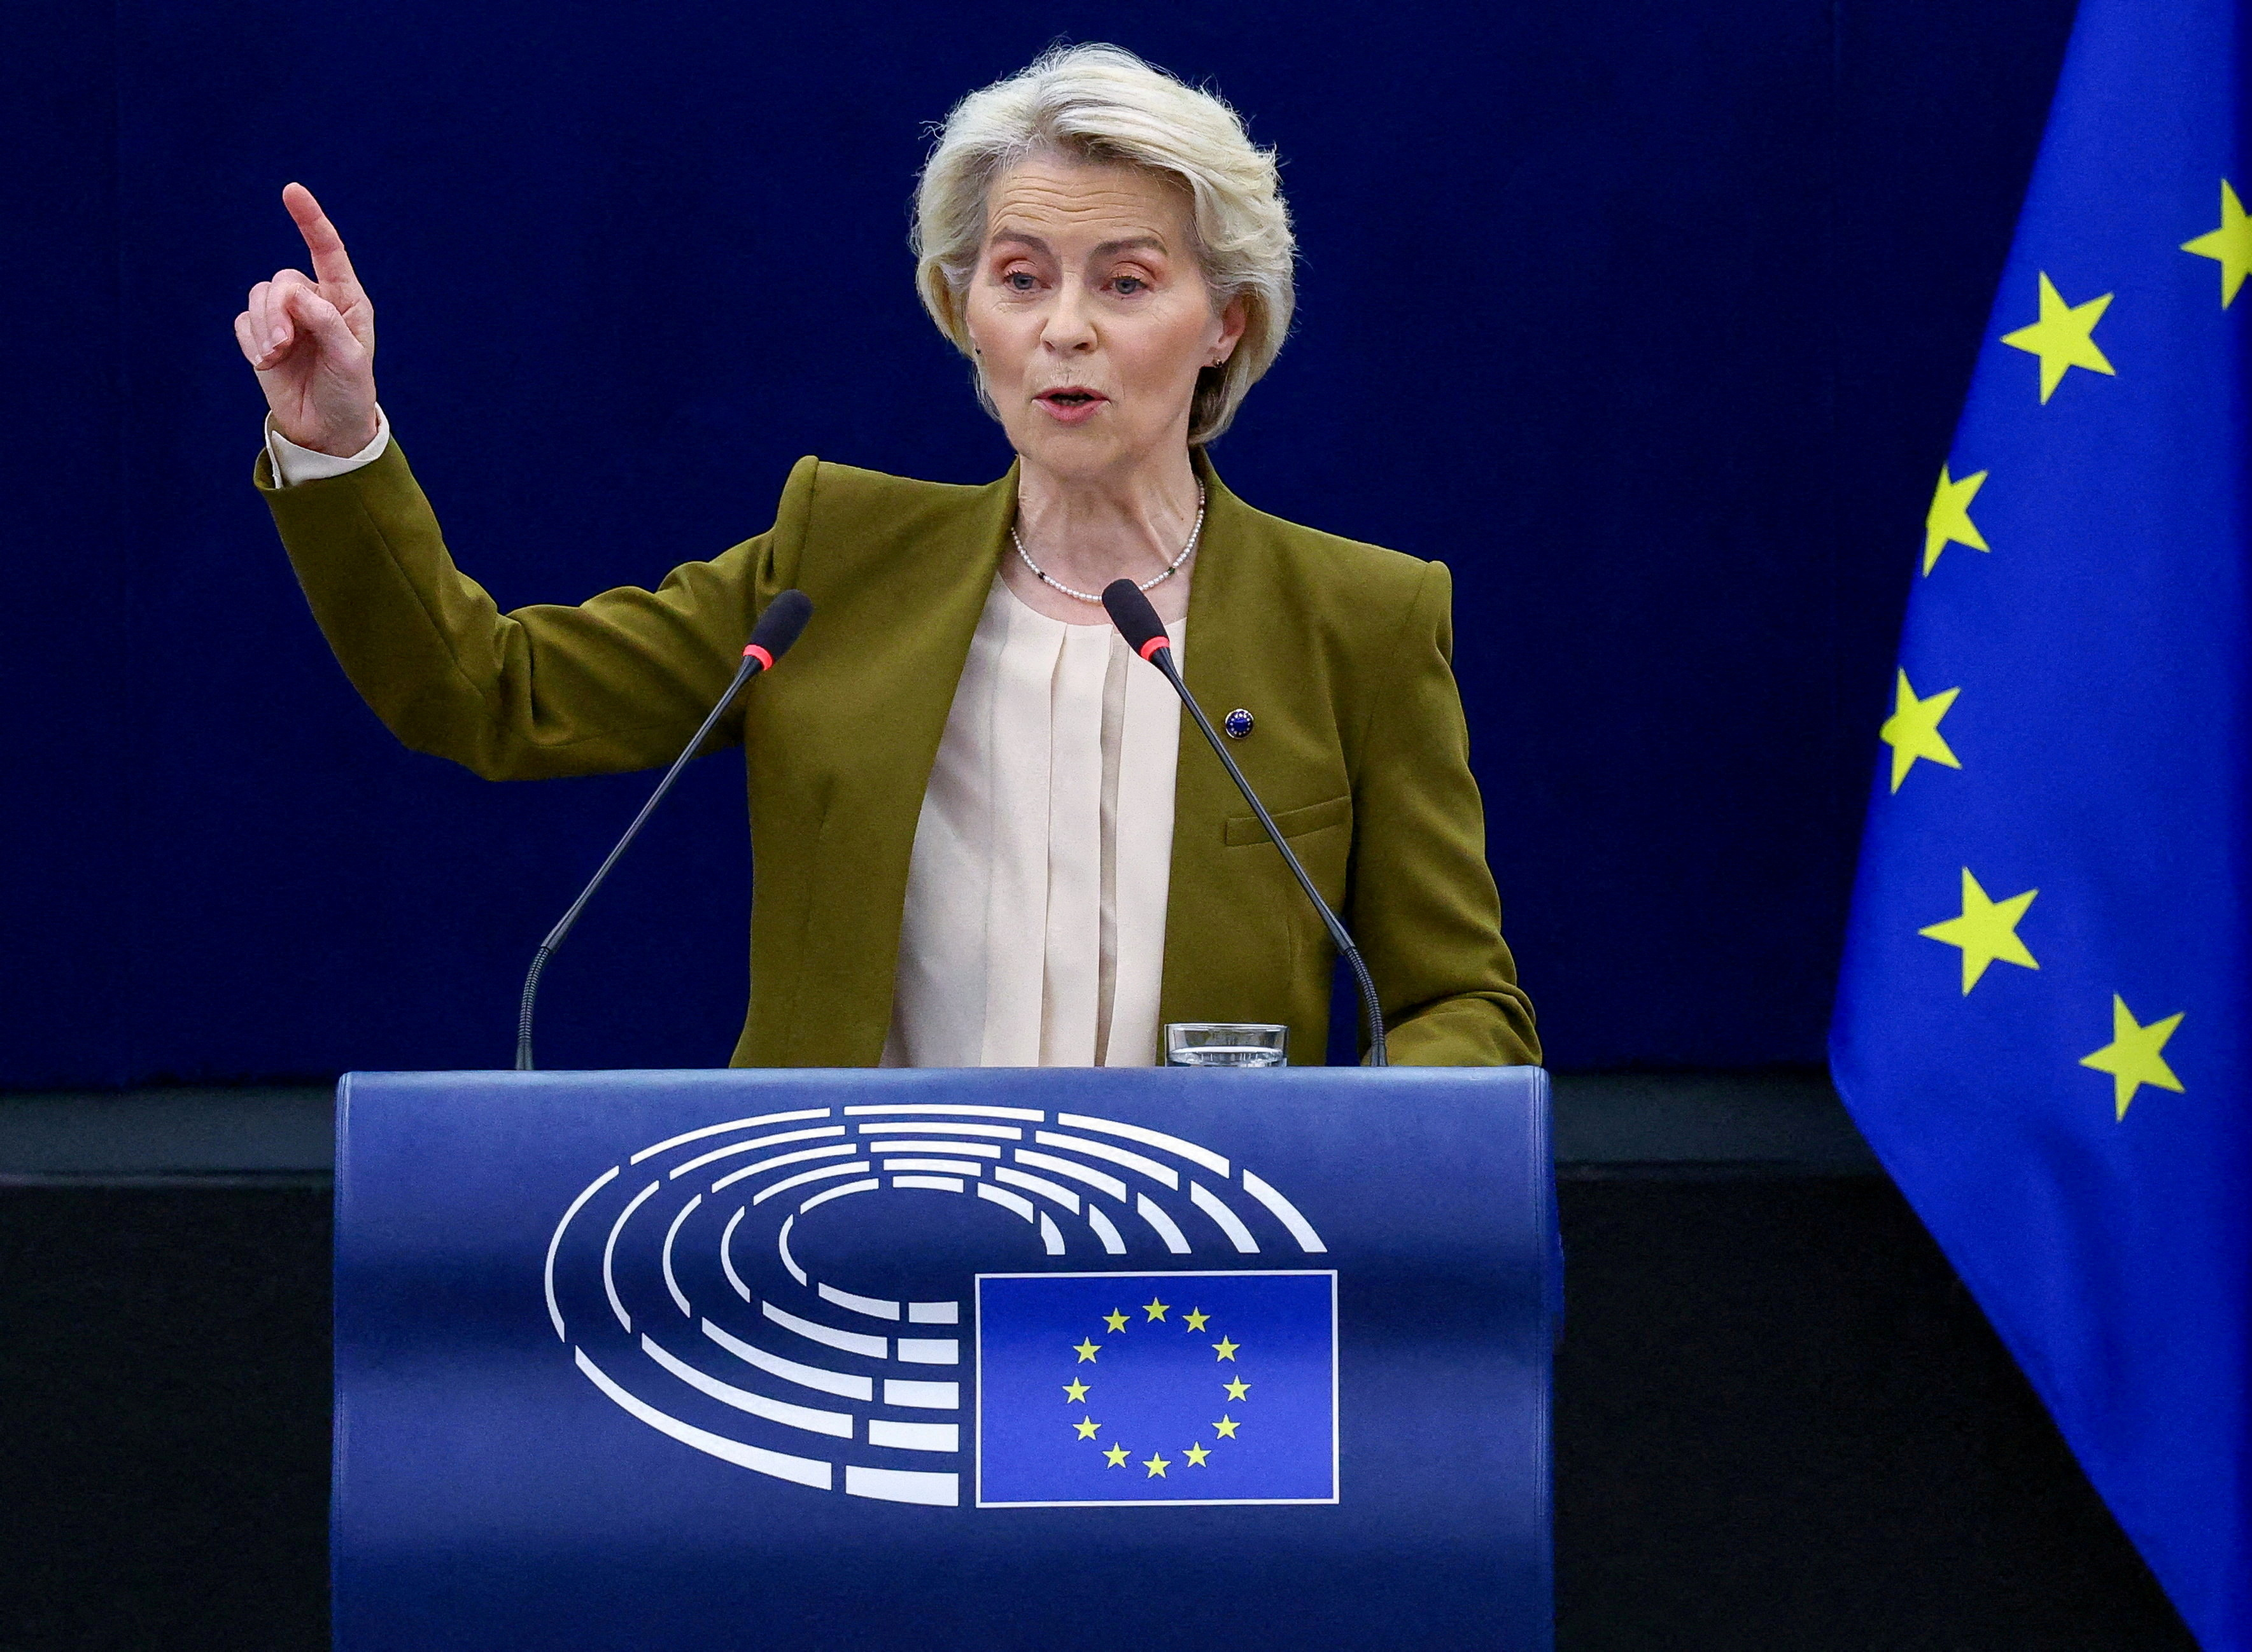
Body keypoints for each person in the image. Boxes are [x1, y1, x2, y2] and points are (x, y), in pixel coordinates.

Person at [238, 44, 1537, 1069]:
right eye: (1019, 278)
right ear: (959, 308)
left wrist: (1355, 1149)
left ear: (1223, 324)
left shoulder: (1356, 619)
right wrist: (342, 442)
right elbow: (487, 693)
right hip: (845, 1276)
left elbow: (1459, 1002)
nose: (1063, 330)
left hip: (1168, 1312)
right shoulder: (836, 568)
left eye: (1125, 283)